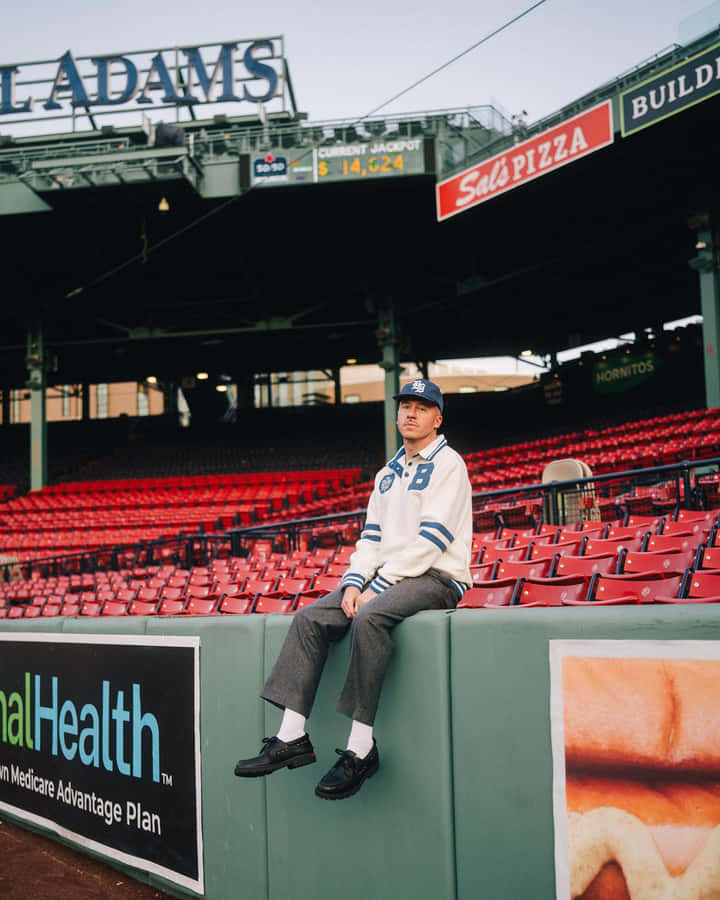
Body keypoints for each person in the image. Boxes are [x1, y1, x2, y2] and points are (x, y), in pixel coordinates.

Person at [233, 378, 472, 799]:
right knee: (309, 617)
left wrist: (375, 587)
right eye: (405, 406)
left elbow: (431, 542)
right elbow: (370, 540)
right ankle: (292, 736)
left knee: (369, 615)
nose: (411, 413)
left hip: (436, 577)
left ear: (438, 417)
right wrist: (353, 582)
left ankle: (361, 749)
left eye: (422, 407)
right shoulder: (387, 473)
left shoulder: (449, 464)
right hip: (387, 577)